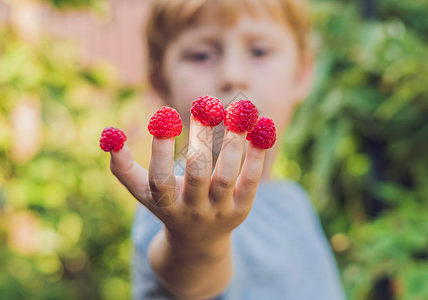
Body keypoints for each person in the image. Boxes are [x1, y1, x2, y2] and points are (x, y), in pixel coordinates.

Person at [109, 0, 346, 299]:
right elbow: (192, 278)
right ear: (161, 84)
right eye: (201, 55)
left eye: (259, 51)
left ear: (301, 73)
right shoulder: (173, 199)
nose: (233, 75)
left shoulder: (294, 202)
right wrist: (197, 242)